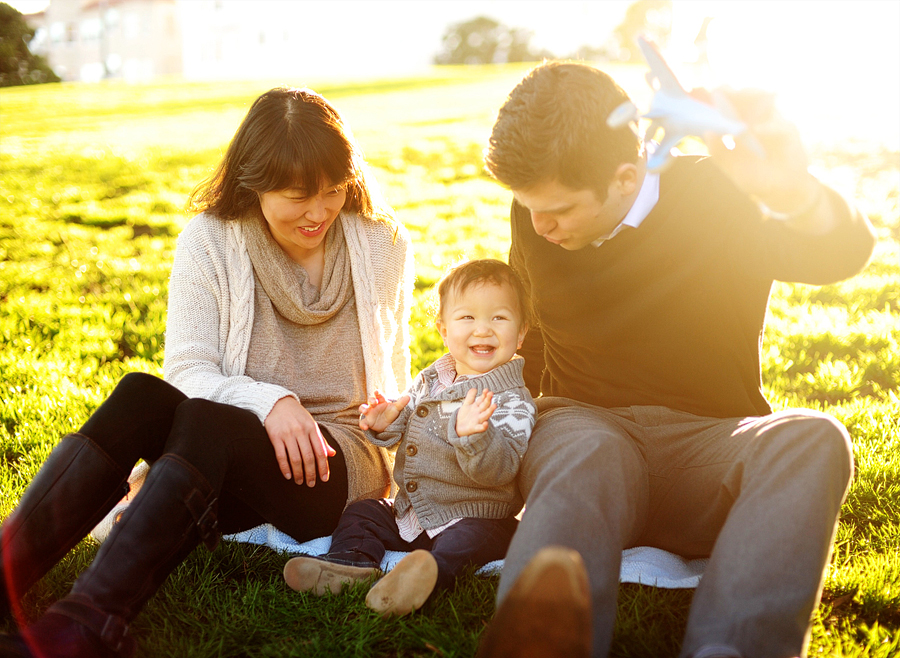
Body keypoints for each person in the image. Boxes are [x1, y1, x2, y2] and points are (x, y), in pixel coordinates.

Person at [474, 62, 876, 658]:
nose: (539, 225)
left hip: (707, 442)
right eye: (527, 206)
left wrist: (790, 193)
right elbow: (531, 340)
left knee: (814, 437)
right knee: (589, 448)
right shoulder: (537, 217)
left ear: (625, 176)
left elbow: (837, 255)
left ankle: (731, 648)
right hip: (586, 431)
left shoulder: (719, 193)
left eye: (557, 209)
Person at [0, 87, 413, 658]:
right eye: (298, 196)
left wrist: (393, 414)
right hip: (231, 451)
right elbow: (188, 370)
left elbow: (396, 376)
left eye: (334, 191)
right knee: (141, 395)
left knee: (206, 421)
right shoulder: (211, 239)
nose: (319, 212)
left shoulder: (380, 242)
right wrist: (272, 401)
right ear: (254, 183)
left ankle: (84, 626)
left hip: (339, 460)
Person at [283, 259, 537, 616]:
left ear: (522, 332)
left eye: (499, 318)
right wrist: (385, 422)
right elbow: (402, 434)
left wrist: (474, 437)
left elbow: (501, 471)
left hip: (478, 516)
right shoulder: (431, 380)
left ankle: (426, 579)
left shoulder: (513, 402)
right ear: (443, 329)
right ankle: (348, 564)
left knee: (466, 542)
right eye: (467, 318)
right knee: (364, 511)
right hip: (413, 513)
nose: (483, 330)